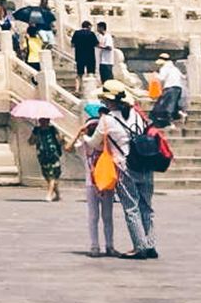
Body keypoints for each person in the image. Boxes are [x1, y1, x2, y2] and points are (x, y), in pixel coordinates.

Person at [98, 80, 157, 258]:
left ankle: (139, 246)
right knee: (146, 206)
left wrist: (83, 136)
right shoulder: (137, 114)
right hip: (145, 163)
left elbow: (94, 142)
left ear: (108, 101)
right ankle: (150, 244)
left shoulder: (107, 120)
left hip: (124, 166)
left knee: (131, 207)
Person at [73, 102, 116, 256]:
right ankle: (97, 245)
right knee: (99, 216)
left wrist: (80, 133)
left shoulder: (101, 144)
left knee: (102, 216)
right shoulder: (86, 145)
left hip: (102, 183)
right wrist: (81, 134)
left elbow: (71, 146)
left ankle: (106, 245)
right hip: (97, 183)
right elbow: (69, 148)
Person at [28, 117, 65, 202]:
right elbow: (30, 142)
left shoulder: (52, 129)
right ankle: (58, 194)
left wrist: (61, 138)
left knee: (53, 175)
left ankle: (49, 194)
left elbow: (59, 141)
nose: (43, 122)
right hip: (42, 155)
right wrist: (35, 138)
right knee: (47, 175)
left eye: (45, 120)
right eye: (41, 120)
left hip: (53, 155)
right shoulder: (36, 130)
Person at [153, 54, 185, 125]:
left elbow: (162, 78)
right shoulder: (175, 69)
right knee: (175, 104)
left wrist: (156, 75)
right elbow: (183, 77)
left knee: (167, 105)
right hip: (178, 88)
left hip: (170, 88)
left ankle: (170, 122)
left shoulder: (164, 68)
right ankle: (181, 114)